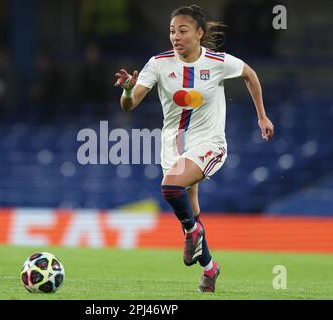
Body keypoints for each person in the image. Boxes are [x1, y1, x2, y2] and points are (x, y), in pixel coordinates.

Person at [114, 5, 274, 293]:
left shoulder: (218, 61)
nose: (176, 36)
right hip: (173, 147)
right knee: (192, 210)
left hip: (209, 144)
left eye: (183, 31)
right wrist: (127, 89)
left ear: (199, 33)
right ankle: (210, 269)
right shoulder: (159, 63)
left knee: (170, 187)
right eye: (172, 31)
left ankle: (191, 231)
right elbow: (130, 104)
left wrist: (261, 116)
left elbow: (250, 74)